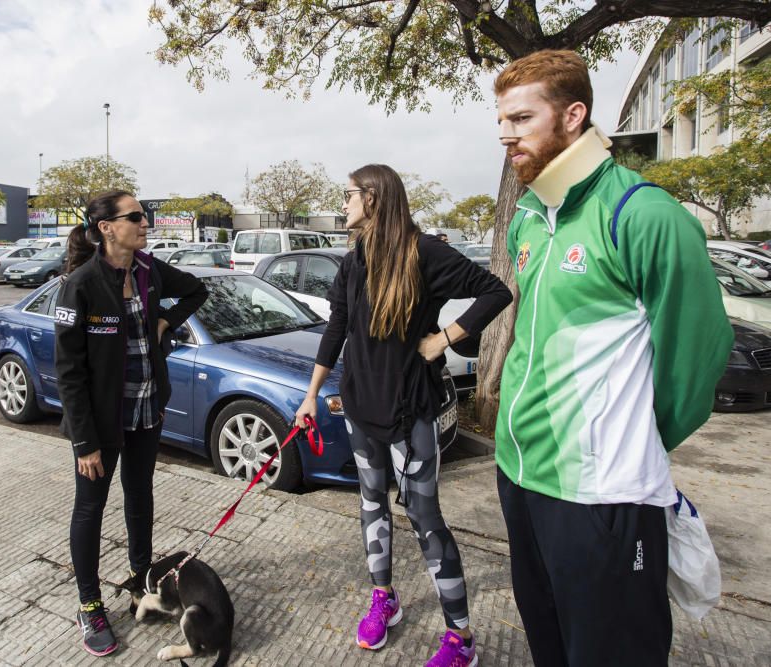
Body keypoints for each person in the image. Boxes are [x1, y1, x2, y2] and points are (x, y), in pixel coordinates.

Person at [493, 50, 733, 666]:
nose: (506, 134)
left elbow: (697, 359)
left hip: (601, 493)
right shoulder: (527, 217)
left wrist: (626, 442)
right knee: (549, 643)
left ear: (574, 116)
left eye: (521, 119)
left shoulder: (645, 214)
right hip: (519, 475)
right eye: (501, 122)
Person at [295, 164, 512, 667]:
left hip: (410, 409)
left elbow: (496, 291)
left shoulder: (425, 252)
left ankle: (460, 637)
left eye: (348, 194)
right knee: (371, 504)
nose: (343, 203)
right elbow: (337, 329)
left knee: (424, 518)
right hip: (359, 406)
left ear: (373, 198)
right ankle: (384, 598)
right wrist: (312, 394)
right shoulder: (354, 260)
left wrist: (443, 339)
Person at [54, 190, 208, 657]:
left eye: (146, 215)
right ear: (107, 227)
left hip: (146, 412)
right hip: (99, 425)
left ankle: (143, 582)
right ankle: (89, 604)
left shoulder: (149, 270)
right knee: (90, 510)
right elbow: (69, 372)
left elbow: (199, 290)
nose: (147, 223)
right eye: (137, 216)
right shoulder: (79, 285)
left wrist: (164, 322)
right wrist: (85, 443)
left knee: (140, 495)